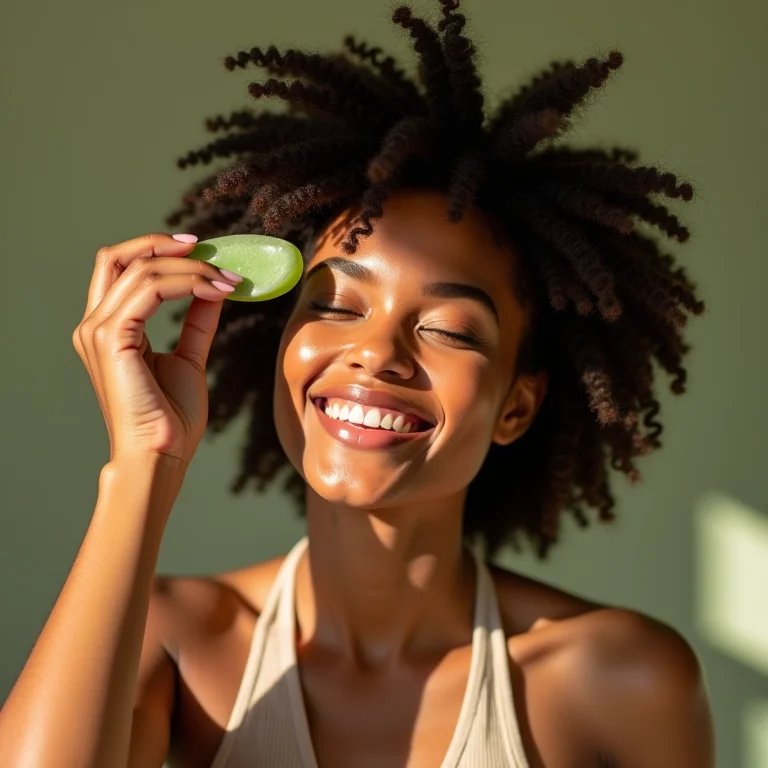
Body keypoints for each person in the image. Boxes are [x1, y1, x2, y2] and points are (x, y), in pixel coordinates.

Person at [0, 1, 715, 765]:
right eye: (336, 306)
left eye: (448, 329)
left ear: (517, 406)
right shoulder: (171, 640)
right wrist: (144, 462)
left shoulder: (618, 680)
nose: (376, 353)